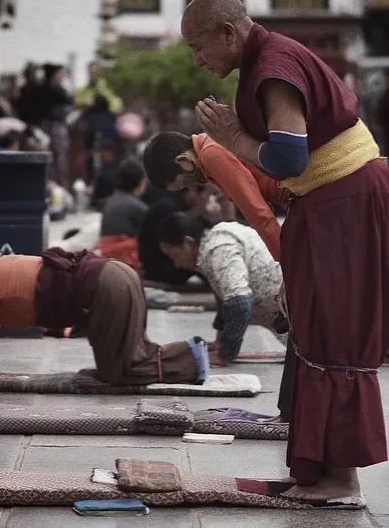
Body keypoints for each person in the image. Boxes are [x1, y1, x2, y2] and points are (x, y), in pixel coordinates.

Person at [181, 0, 389, 508]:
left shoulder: (274, 64)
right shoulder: (264, 60)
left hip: (348, 202)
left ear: (227, 32)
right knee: (315, 329)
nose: (198, 60)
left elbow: (286, 155)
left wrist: (233, 138)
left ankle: (342, 480)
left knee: (336, 332)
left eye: (199, 47)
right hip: (328, 203)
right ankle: (318, 471)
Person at [0, 249, 207, 385]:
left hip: (107, 286)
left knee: (119, 373)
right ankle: (190, 354)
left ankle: (190, 360)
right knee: (131, 355)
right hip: (114, 275)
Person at [158, 210, 286, 366]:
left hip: (296, 317)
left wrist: (225, 354)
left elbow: (240, 304)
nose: (176, 264)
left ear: (188, 242)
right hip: (285, 318)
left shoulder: (218, 247)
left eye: (174, 256)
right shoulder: (213, 241)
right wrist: (220, 341)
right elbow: (225, 298)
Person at [142, 131, 286, 261]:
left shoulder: (210, 154)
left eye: (186, 183)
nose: (192, 187)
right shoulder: (210, 146)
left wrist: (284, 258)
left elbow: (257, 212)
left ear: (184, 162)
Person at [98, 158, 148, 271]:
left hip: (107, 257)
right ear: (141, 183)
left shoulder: (111, 199)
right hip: (124, 260)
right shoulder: (135, 206)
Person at [38, 64, 73, 187]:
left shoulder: (41, 87)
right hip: (56, 125)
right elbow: (70, 100)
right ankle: (60, 186)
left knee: (47, 157)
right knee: (59, 158)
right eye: (61, 73)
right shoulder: (56, 88)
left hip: (44, 125)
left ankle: (49, 185)